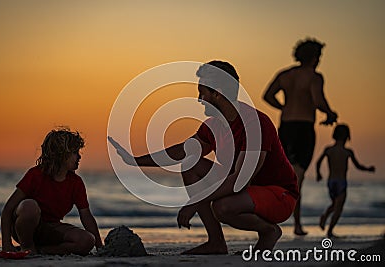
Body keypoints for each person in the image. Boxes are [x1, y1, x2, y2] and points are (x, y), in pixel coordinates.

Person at [109, 60, 299, 254]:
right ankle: (216, 242)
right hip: (249, 189)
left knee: (222, 207)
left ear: (217, 93)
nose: (199, 99)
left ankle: (269, 231)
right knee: (190, 164)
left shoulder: (255, 123)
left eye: (203, 92)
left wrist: (194, 202)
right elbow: (181, 151)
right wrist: (135, 160)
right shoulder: (213, 126)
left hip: (280, 196)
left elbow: (239, 181)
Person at [263, 38, 338, 235]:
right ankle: (296, 225)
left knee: (283, 176)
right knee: (298, 179)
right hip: (304, 128)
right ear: (314, 58)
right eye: (319, 57)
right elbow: (318, 100)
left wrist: (284, 107)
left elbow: (267, 95)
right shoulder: (314, 76)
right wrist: (330, 114)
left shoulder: (285, 75)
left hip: (286, 127)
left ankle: (267, 218)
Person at [1, 128, 103, 255]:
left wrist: (99, 246)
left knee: (87, 240)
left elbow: (86, 216)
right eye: (75, 152)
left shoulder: (76, 182)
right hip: (25, 228)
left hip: (52, 229)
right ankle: (27, 246)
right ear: (61, 154)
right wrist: (6, 244)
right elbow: (8, 209)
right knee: (29, 206)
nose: (79, 156)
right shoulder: (35, 175)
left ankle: (40, 251)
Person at [316, 124, 375, 238]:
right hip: (341, 183)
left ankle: (324, 216)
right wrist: (368, 169)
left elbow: (318, 162)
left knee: (334, 204)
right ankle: (330, 231)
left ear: (334, 135)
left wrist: (319, 174)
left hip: (331, 182)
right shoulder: (348, 152)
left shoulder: (329, 150)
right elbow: (358, 166)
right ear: (347, 136)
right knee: (338, 208)